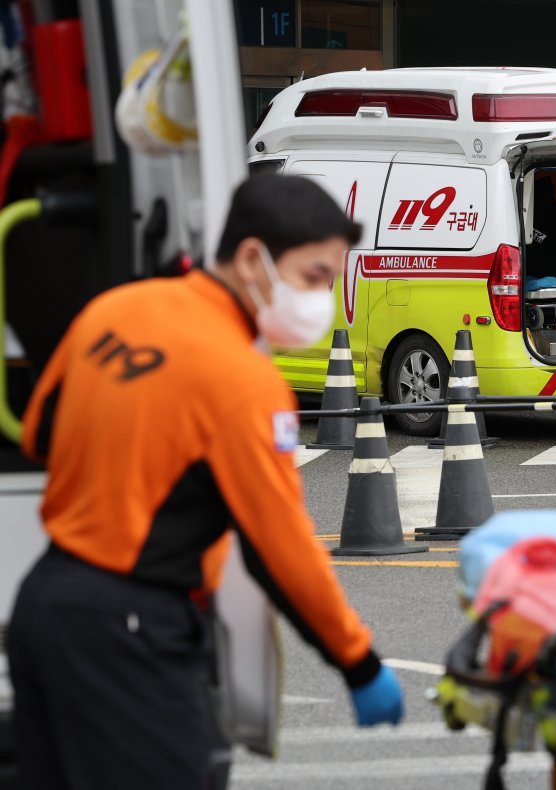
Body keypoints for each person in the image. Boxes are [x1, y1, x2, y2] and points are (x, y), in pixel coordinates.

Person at [7, 174, 404, 789]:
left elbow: (39, 432)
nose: (322, 299)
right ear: (252, 259)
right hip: (131, 632)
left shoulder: (115, 308)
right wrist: (357, 661)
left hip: (43, 609)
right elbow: (280, 548)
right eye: (314, 277)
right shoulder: (243, 382)